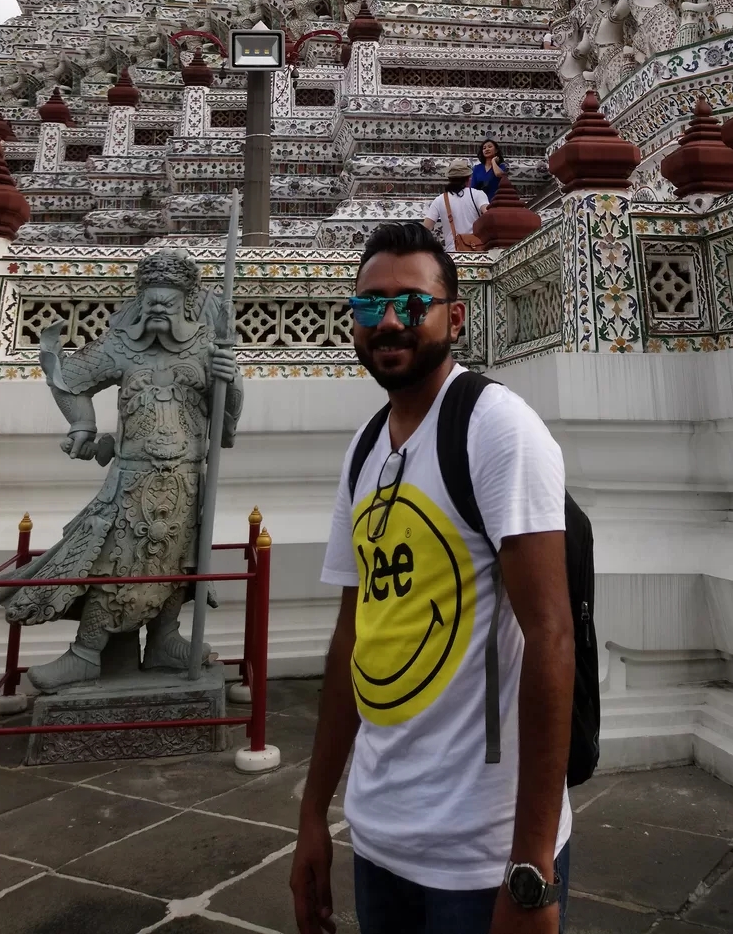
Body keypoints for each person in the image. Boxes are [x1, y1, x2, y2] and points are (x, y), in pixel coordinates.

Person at [290, 220, 574, 934]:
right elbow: (354, 634)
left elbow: (551, 635)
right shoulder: (363, 448)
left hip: (480, 852)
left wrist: (533, 866)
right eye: (368, 305)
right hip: (380, 834)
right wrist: (314, 814)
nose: (388, 321)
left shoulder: (497, 428)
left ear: (455, 315)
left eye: (412, 304)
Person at [423, 158, 488, 251]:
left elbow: (426, 228)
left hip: (453, 253)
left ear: (449, 179)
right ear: (468, 178)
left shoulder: (440, 200)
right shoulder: (478, 194)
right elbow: (488, 215)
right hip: (476, 251)